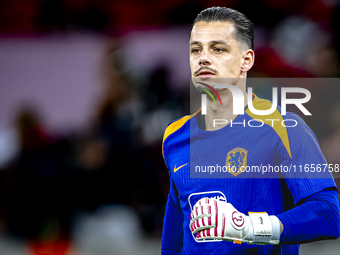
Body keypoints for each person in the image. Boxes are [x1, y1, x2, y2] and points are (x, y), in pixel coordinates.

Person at [161, 7, 340, 255]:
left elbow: (329, 213)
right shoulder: (175, 136)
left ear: (246, 60)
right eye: (195, 49)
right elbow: (173, 242)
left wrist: (247, 228)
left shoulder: (285, 127)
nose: (203, 57)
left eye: (218, 49)